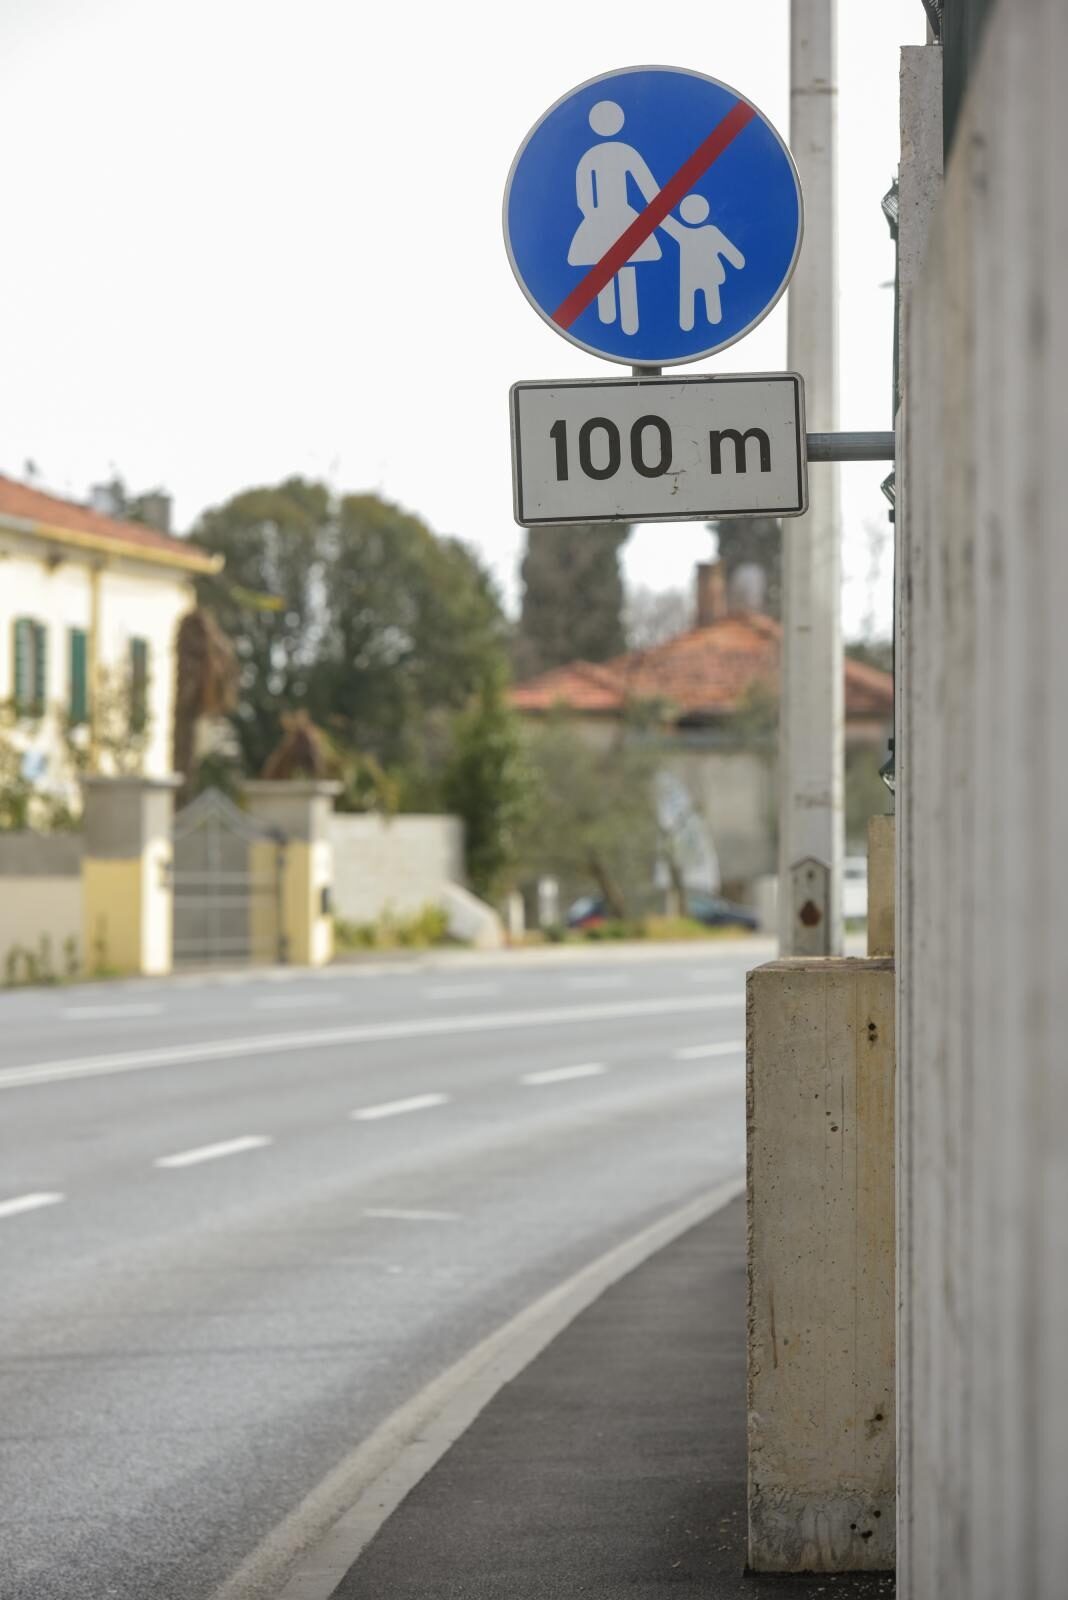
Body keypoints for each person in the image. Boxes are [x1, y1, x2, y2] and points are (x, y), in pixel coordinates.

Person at [568, 100, 663, 335]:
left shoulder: (590, 157)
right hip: (622, 216)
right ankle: (626, 324)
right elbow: (649, 189)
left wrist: (592, 216)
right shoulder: (624, 152)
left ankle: (613, 320)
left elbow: (583, 196)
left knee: (607, 265)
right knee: (623, 264)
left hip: (601, 218)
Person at [666, 193, 746, 331]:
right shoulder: (710, 232)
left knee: (692, 299)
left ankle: (689, 324)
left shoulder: (685, 234)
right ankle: (695, 324)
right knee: (704, 298)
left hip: (693, 276)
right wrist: (738, 261)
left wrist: (653, 209)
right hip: (706, 275)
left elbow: (667, 223)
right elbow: (732, 254)